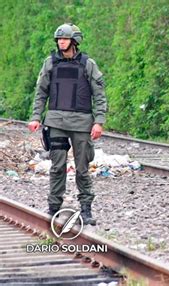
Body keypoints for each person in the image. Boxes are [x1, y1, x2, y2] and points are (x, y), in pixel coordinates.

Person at [27, 23, 107, 225]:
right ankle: (54, 207)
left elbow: (99, 95)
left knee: (82, 168)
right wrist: (36, 117)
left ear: (74, 41)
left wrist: (99, 121)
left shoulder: (88, 64)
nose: (61, 41)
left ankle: (86, 209)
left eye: (65, 38)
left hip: (81, 123)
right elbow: (41, 92)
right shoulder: (50, 63)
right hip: (56, 122)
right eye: (59, 39)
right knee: (57, 166)